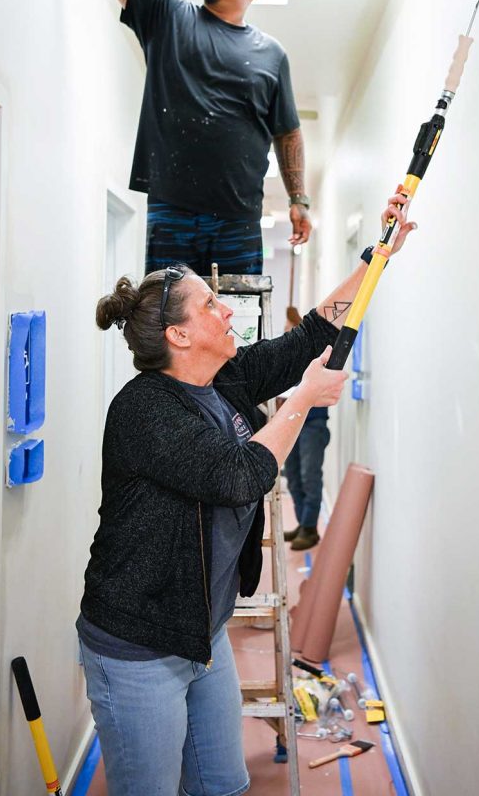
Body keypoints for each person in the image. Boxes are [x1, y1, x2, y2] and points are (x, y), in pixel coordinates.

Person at [76, 190, 415, 796]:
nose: (228, 310)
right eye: (212, 305)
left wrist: (378, 255)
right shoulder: (144, 410)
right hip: (138, 647)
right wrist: (302, 400)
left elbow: (308, 337)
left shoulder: (222, 377)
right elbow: (238, 474)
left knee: (222, 784)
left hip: (203, 633)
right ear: (179, 336)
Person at [49, 0, 312, 276]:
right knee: (166, 326)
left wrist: (298, 199)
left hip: (239, 216)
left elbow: (288, 132)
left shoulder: (271, 54)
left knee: (235, 331)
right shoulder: (169, 17)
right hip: (172, 209)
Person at [281, 309, 331, 551]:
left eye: (289, 328)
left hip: (313, 424)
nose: (286, 333)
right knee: (293, 476)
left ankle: (310, 529)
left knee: (309, 476)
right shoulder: (288, 361)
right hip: (294, 423)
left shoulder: (315, 356)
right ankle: (303, 524)